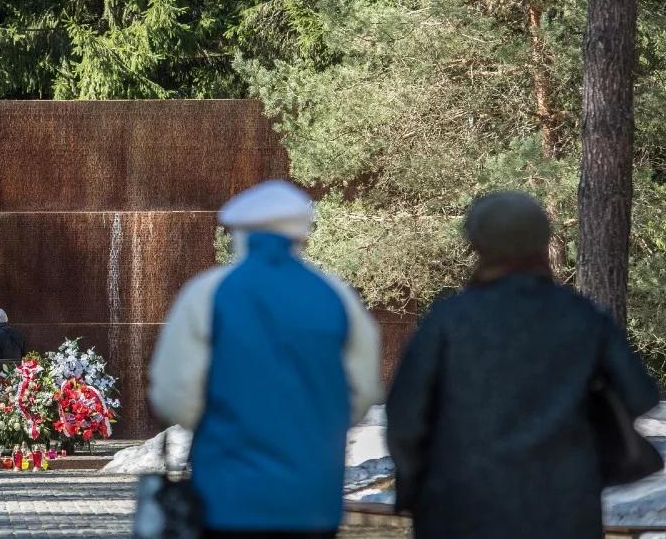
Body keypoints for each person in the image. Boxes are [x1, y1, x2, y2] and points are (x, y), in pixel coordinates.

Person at [386, 191, 660, 539]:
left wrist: (415, 486)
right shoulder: (583, 318)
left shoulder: (447, 321)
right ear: (541, 241)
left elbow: (405, 418)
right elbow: (640, 394)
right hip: (564, 512)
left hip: (458, 511)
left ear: (477, 243)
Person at [149, 180, 382, 538]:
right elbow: (363, 392)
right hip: (313, 499)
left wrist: (223, 425)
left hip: (226, 494)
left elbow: (173, 394)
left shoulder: (205, 293)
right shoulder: (338, 296)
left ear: (238, 233)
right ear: (302, 233)